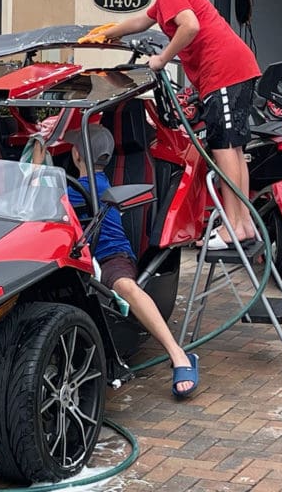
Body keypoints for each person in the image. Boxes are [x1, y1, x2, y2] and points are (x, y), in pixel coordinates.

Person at [83, 0, 261, 248]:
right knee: (232, 147)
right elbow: (141, 21)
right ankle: (243, 223)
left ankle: (235, 225)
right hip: (236, 69)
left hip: (223, 72)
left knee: (223, 148)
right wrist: (106, 33)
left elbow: (189, 26)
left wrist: (162, 58)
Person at [33, 124, 199, 398]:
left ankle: (179, 354)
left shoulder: (89, 187)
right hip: (75, 255)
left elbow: (35, 195)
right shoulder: (79, 184)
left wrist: (37, 160)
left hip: (111, 255)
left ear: (76, 155)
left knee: (126, 287)